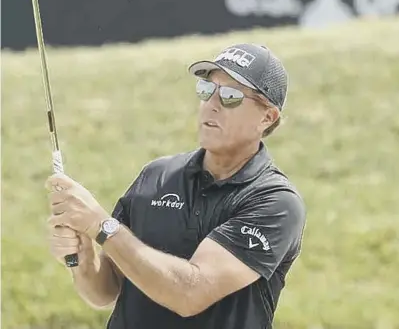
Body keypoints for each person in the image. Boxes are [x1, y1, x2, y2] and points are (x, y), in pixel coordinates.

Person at [46, 43, 307, 329]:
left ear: (267, 117)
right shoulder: (157, 175)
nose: (212, 103)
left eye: (230, 96)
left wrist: (101, 226)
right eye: (207, 90)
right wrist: (83, 260)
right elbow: (105, 290)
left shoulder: (276, 202)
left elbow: (190, 293)